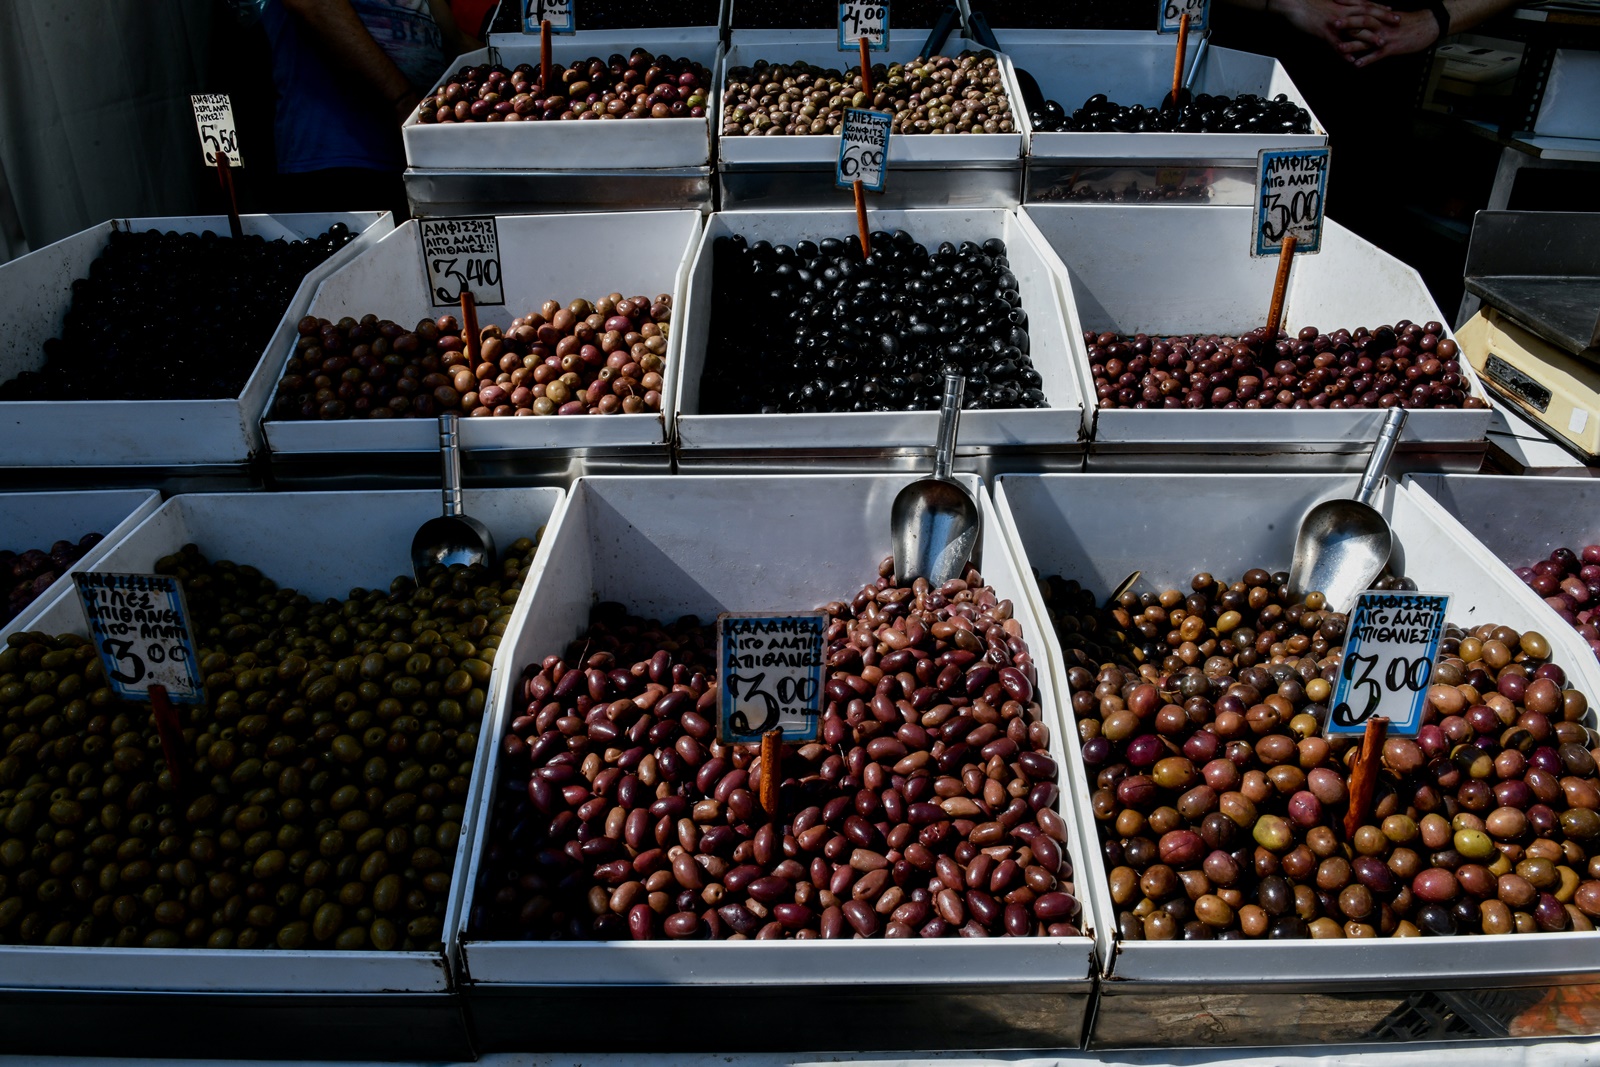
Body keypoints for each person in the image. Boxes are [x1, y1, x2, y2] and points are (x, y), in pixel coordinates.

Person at [263, 0, 481, 218]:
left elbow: (453, 38)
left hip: (419, 156)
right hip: (341, 156)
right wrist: (404, 102)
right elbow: (314, 5)